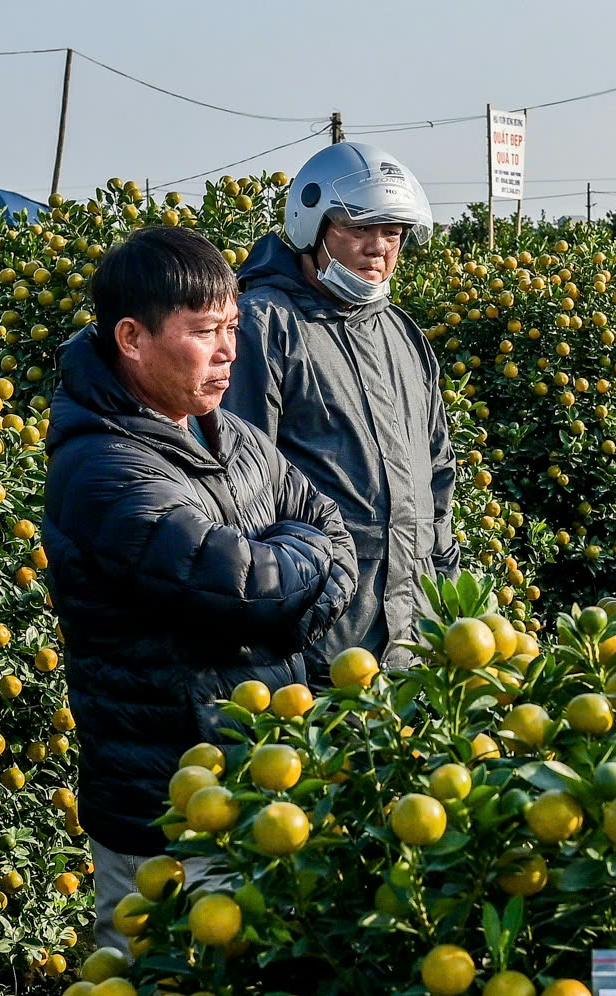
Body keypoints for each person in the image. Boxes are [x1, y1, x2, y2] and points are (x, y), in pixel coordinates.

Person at [43, 226, 356, 949]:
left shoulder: (233, 436)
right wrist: (285, 592)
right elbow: (250, 590)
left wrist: (286, 581)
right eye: (204, 330)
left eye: (233, 327)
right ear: (132, 337)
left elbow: (330, 530)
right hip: (165, 813)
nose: (228, 351)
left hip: (257, 784)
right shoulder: (101, 471)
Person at [226, 141, 458, 684]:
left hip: (412, 631)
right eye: (359, 229)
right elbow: (239, 484)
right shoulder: (267, 325)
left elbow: (438, 472)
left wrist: (444, 590)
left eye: (393, 233)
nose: (378, 248)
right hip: (318, 634)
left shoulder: (401, 333)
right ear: (313, 227)